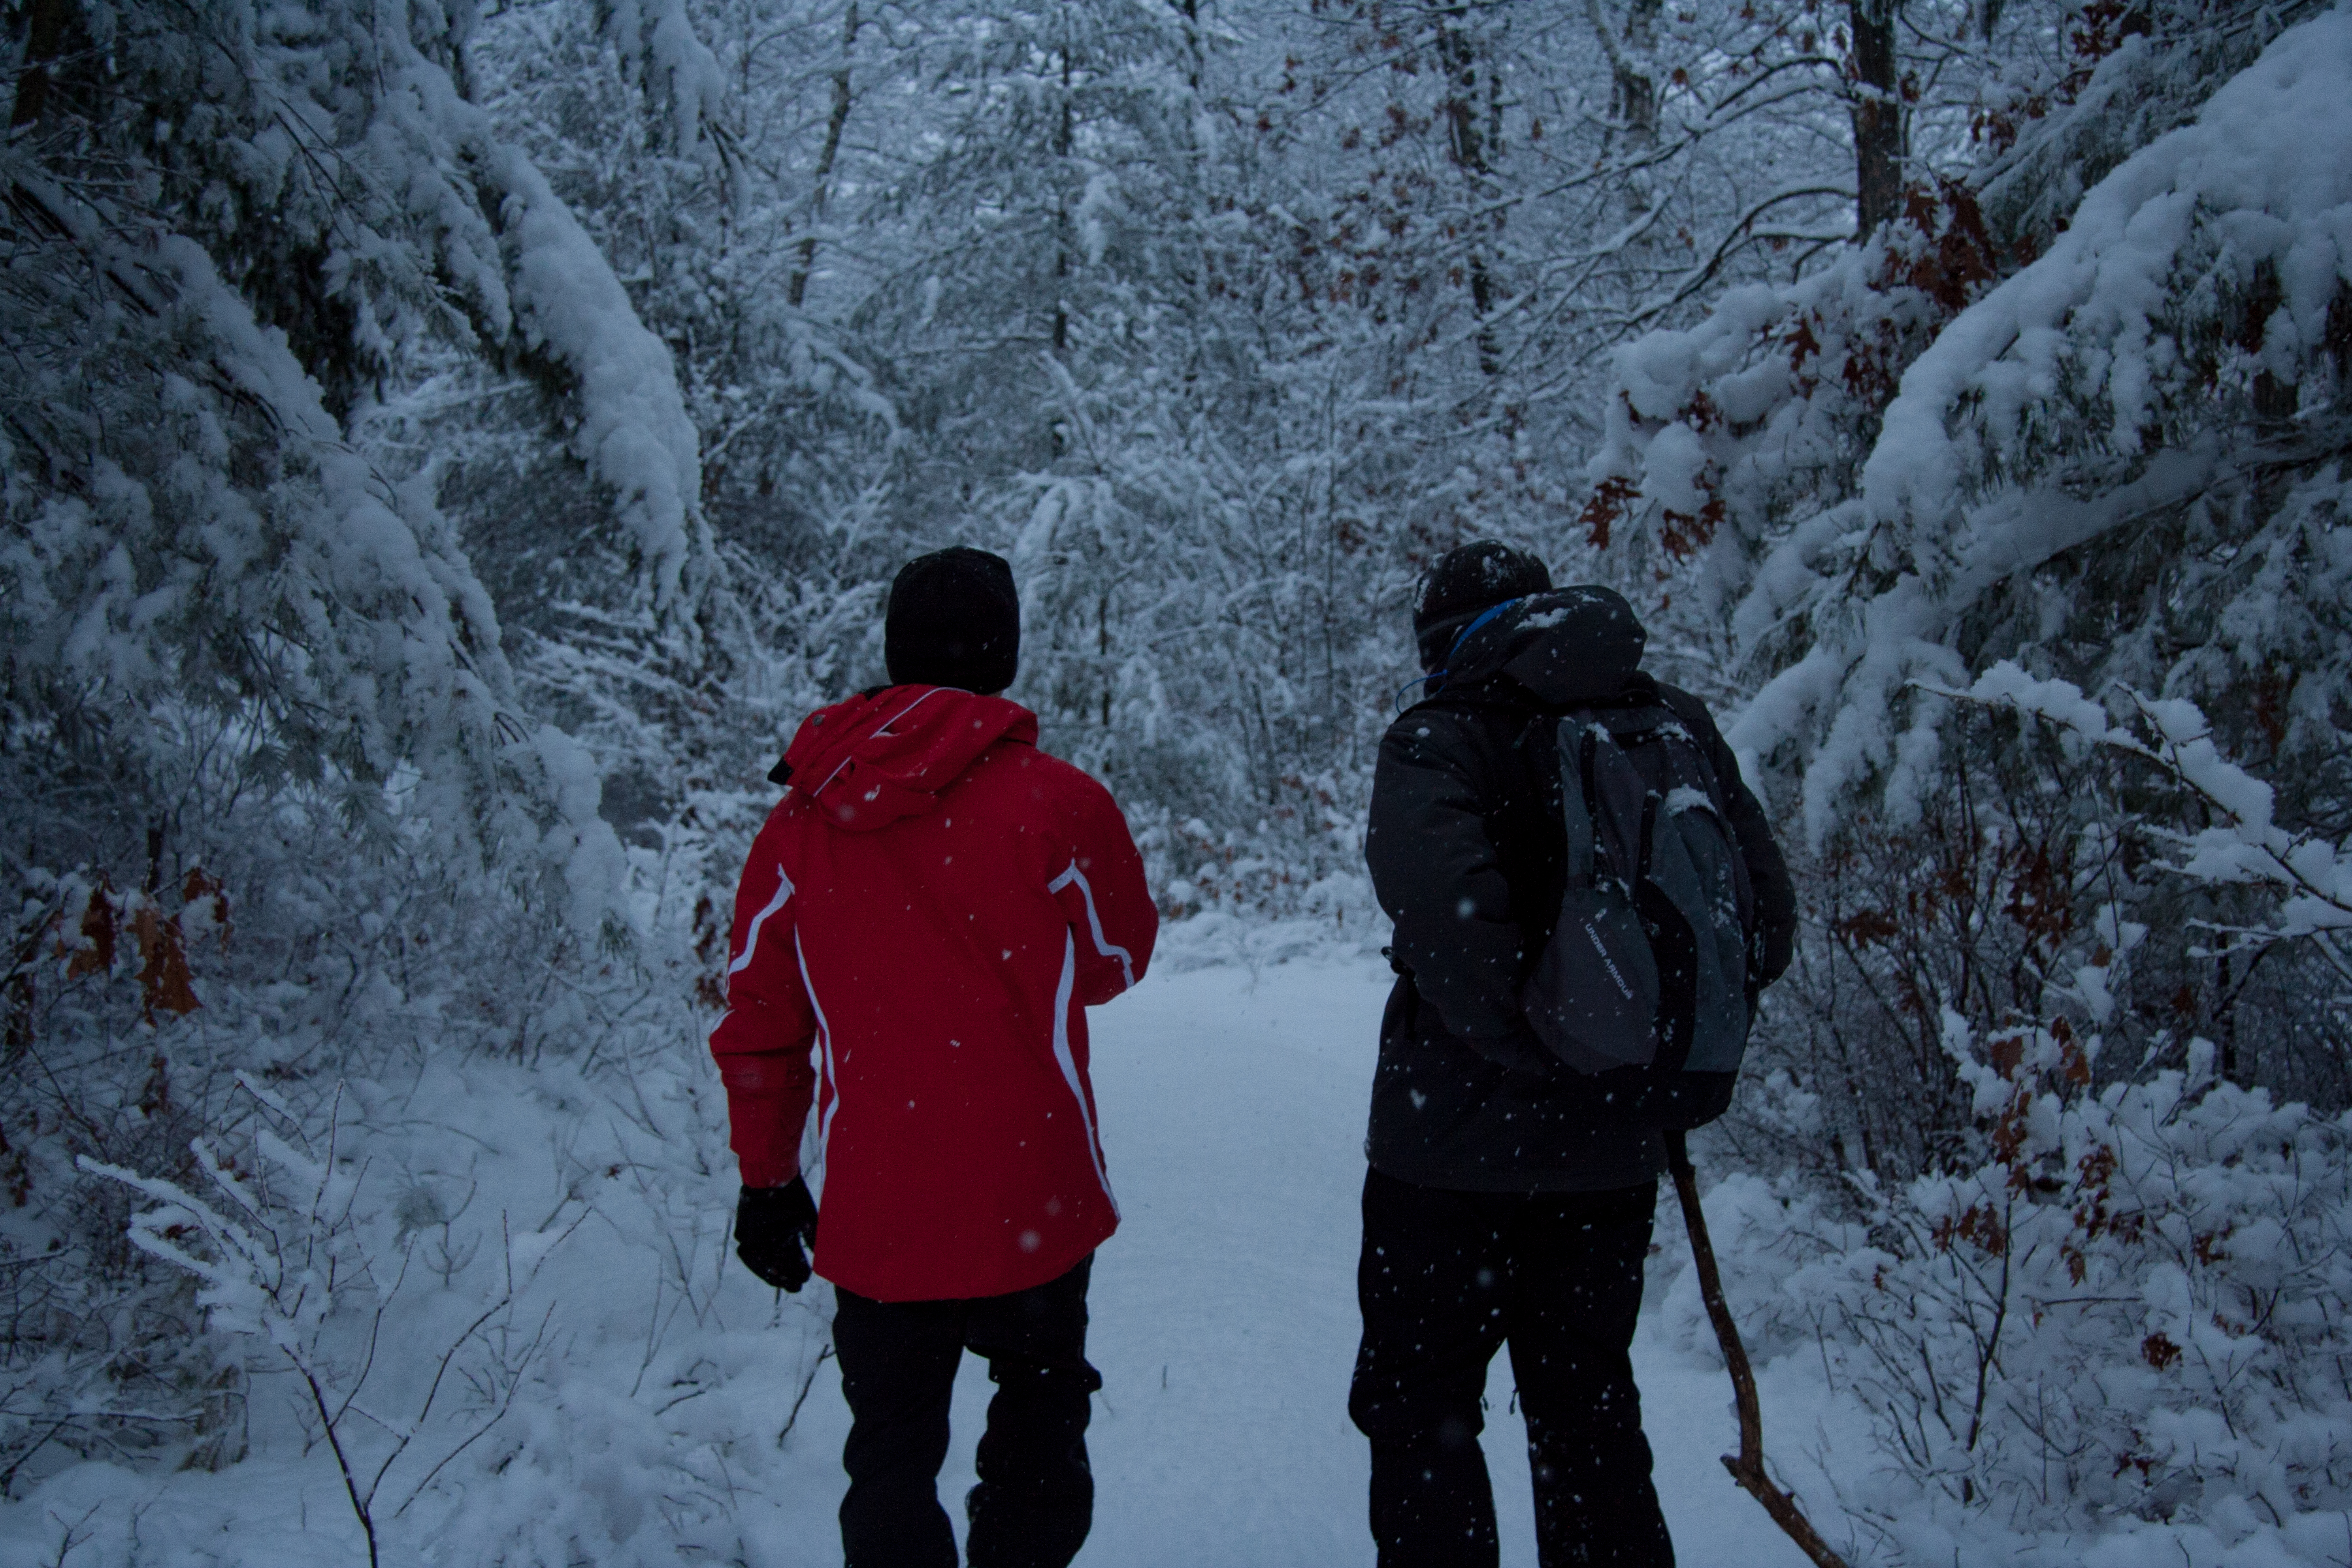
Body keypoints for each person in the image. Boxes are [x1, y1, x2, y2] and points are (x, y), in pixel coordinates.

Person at [708, 546, 1158, 1568]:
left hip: (881, 1205)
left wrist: (766, 1181)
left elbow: (761, 1020)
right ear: (1005, 654)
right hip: (1032, 1187)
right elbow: (1116, 960)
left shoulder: (802, 818)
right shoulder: (1060, 802)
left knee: (892, 1457)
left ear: (894, 649)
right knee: (1042, 1417)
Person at [1351, 542, 1796, 1567]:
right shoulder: (1668, 724)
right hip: (1611, 1149)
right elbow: (1762, 922)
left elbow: (1443, 926)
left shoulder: (1439, 740)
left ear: (1437, 645)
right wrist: (1621, 1048)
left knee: (1421, 1408)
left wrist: (1535, 1044)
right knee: (1587, 1410)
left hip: (1445, 1150)